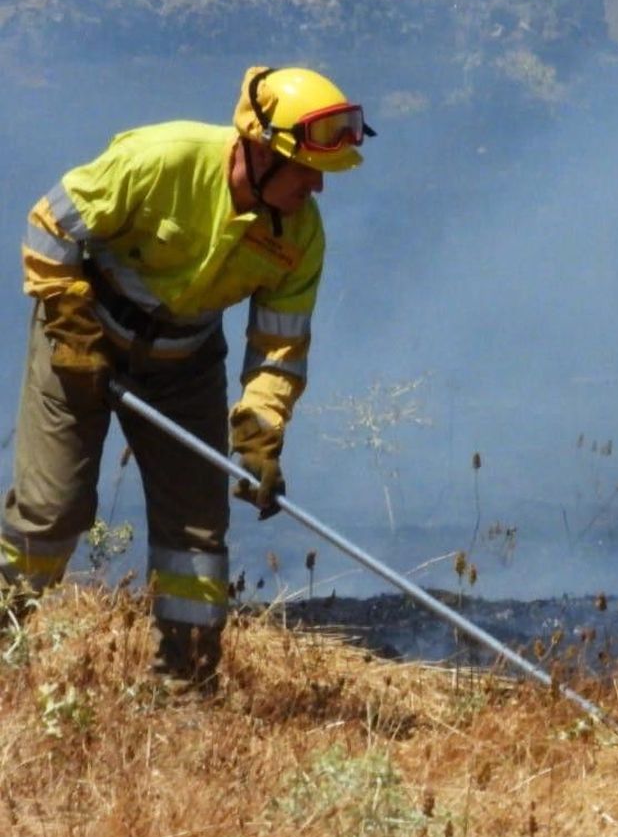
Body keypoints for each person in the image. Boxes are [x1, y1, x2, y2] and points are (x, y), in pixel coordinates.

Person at [0, 66, 372, 693]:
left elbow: (279, 349)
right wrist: (71, 325)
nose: (316, 187)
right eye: (305, 168)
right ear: (257, 151)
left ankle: (185, 688)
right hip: (82, 340)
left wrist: (259, 434)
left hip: (185, 366)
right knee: (53, 510)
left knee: (196, 538)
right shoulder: (161, 159)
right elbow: (51, 225)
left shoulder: (300, 237)